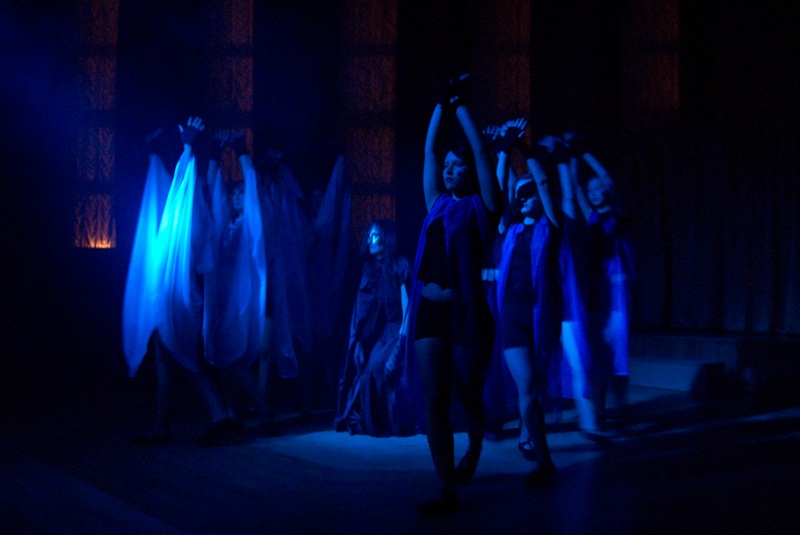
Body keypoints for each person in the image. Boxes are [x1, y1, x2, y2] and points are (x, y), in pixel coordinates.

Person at [408, 74, 502, 515]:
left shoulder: (484, 208)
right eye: (446, 166)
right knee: (436, 403)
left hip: (468, 315)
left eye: (456, 165)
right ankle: (447, 489)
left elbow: (482, 152)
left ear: (470, 171)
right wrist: (439, 105)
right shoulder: (437, 204)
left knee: (469, 396)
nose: (448, 170)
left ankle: (475, 449)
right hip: (430, 312)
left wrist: (461, 106)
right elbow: (428, 153)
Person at [124, 117, 235, 446]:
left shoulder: (192, 214)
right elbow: (169, 185)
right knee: (168, 360)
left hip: (178, 297)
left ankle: (219, 415)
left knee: (184, 358)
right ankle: (164, 425)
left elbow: (185, 187)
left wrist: (189, 147)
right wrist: (160, 152)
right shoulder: (181, 213)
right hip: (172, 294)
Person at [494, 128, 563, 485]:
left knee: (535, 384)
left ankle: (529, 436)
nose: (521, 197)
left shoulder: (551, 226)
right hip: (512, 317)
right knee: (528, 386)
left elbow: (545, 185)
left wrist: (525, 149)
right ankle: (544, 460)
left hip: (540, 315)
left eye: (528, 193)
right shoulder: (510, 229)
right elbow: (501, 188)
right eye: (518, 194)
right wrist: (505, 152)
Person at [570, 138, 635, 431]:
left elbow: (607, 180)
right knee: (598, 351)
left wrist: (584, 152)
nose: (594, 193)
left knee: (617, 350)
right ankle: (600, 411)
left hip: (618, 290)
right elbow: (575, 187)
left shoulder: (618, 213)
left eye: (598, 189)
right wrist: (570, 157)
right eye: (591, 190)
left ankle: (621, 406)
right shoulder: (592, 217)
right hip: (597, 290)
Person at [334, 219, 410, 436]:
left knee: (379, 367)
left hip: (399, 328)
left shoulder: (400, 265)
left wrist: (401, 343)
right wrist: (358, 340)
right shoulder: (370, 269)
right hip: (384, 331)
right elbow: (364, 309)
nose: (370, 240)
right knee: (368, 369)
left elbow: (408, 307)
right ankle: (375, 423)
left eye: (375, 235)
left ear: (387, 238)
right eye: (369, 236)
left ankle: (392, 422)